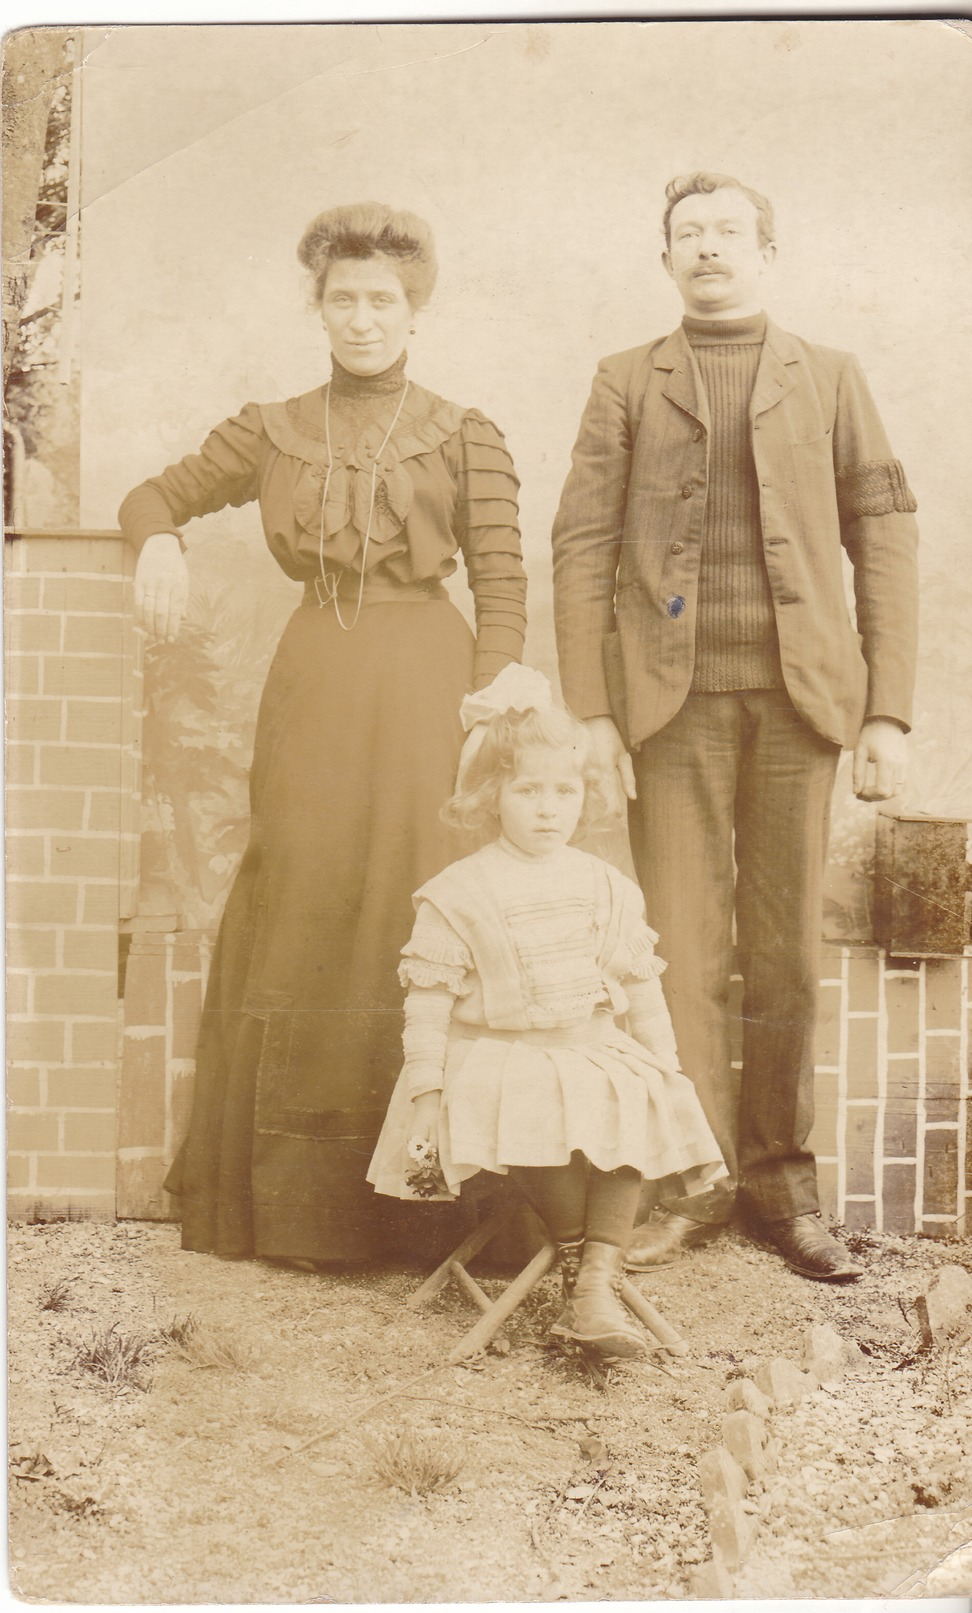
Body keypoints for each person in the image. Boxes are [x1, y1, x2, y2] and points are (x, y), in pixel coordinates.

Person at [119, 203, 527, 1267]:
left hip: (428, 681)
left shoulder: (464, 430)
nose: (361, 317)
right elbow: (151, 492)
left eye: (382, 299)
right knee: (301, 895)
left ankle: (420, 1207)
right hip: (313, 682)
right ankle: (287, 1207)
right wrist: (158, 539)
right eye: (342, 298)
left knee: (411, 895)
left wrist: (487, 702)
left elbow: (504, 584)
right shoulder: (273, 426)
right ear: (319, 306)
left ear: (414, 310)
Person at [551, 172, 919, 1281]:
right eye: (687, 235)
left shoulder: (834, 379)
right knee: (680, 948)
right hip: (668, 708)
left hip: (803, 703)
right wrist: (592, 713)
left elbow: (887, 537)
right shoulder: (625, 382)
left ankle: (782, 1184)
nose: (708, 250)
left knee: (784, 951)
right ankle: (697, 1177)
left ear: (767, 250)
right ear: (664, 259)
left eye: (728, 233)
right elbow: (580, 545)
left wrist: (885, 712)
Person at [367, 684, 727, 1358]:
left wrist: (666, 1069)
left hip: (586, 1046)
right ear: (490, 796)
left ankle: (593, 1279)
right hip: (498, 1056)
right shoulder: (460, 892)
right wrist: (426, 1093)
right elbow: (428, 1005)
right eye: (529, 791)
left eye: (564, 792)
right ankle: (585, 1274)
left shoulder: (605, 884)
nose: (548, 809)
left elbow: (642, 987)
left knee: (637, 1092)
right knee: (540, 1102)